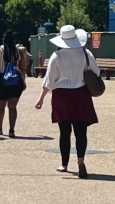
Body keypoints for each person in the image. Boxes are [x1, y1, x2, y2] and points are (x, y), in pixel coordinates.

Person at [34, 25, 99, 179]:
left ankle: (64, 164)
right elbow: (96, 72)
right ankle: (81, 160)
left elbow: (49, 80)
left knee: (64, 132)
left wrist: (41, 98)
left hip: (61, 95)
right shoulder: (85, 53)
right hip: (81, 94)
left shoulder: (57, 56)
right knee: (81, 131)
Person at [0, 30, 30, 137]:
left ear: (3, 40)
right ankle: (11, 130)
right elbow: (23, 68)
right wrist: (23, 81)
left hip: (0, 80)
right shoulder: (19, 52)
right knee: (12, 107)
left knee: (0, 106)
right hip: (15, 81)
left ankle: (0, 128)